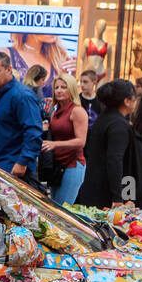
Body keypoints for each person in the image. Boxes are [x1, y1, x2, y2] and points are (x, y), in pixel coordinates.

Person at [77, 79, 142, 209]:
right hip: (106, 193)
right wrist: (118, 197)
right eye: (134, 98)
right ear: (127, 101)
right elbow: (115, 160)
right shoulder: (118, 125)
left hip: (94, 185)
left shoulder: (104, 119)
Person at [0, 50, 41, 182]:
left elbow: (33, 131)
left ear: (8, 69)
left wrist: (22, 162)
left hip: (16, 169)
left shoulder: (22, 95)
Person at [41, 72, 88, 205]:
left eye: (63, 87)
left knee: (62, 210)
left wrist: (55, 144)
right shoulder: (55, 111)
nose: (59, 91)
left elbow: (81, 142)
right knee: (54, 207)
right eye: (56, 87)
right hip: (57, 165)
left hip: (73, 164)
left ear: (71, 89)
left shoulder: (77, 111)